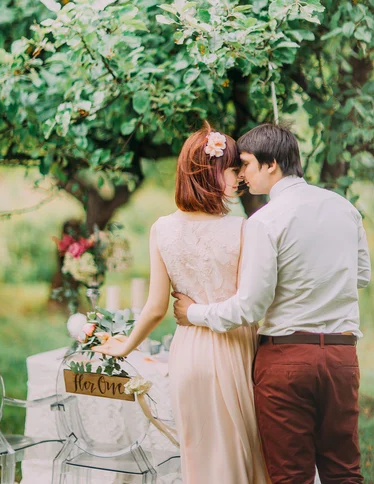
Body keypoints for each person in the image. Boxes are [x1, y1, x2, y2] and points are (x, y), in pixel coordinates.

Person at [173, 123, 371, 484]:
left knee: (290, 474)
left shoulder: (264, 221)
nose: (242, 175)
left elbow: (248, 308)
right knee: (344, 470)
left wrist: (193, 313)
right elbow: (361, 276)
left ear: (271, 165)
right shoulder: (345, 208)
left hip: (287, 360)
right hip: (342, 356)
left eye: (246, 164)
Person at [92, 123, 269, 484]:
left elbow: (156, 306)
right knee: (241, 451)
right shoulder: (242, 228)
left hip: (187, 352)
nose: (239, 178)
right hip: (234, 348)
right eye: (232, 170)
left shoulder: (162, 229)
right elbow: (254, 304)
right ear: (210, 172)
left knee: (199, 454)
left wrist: (126, 345)